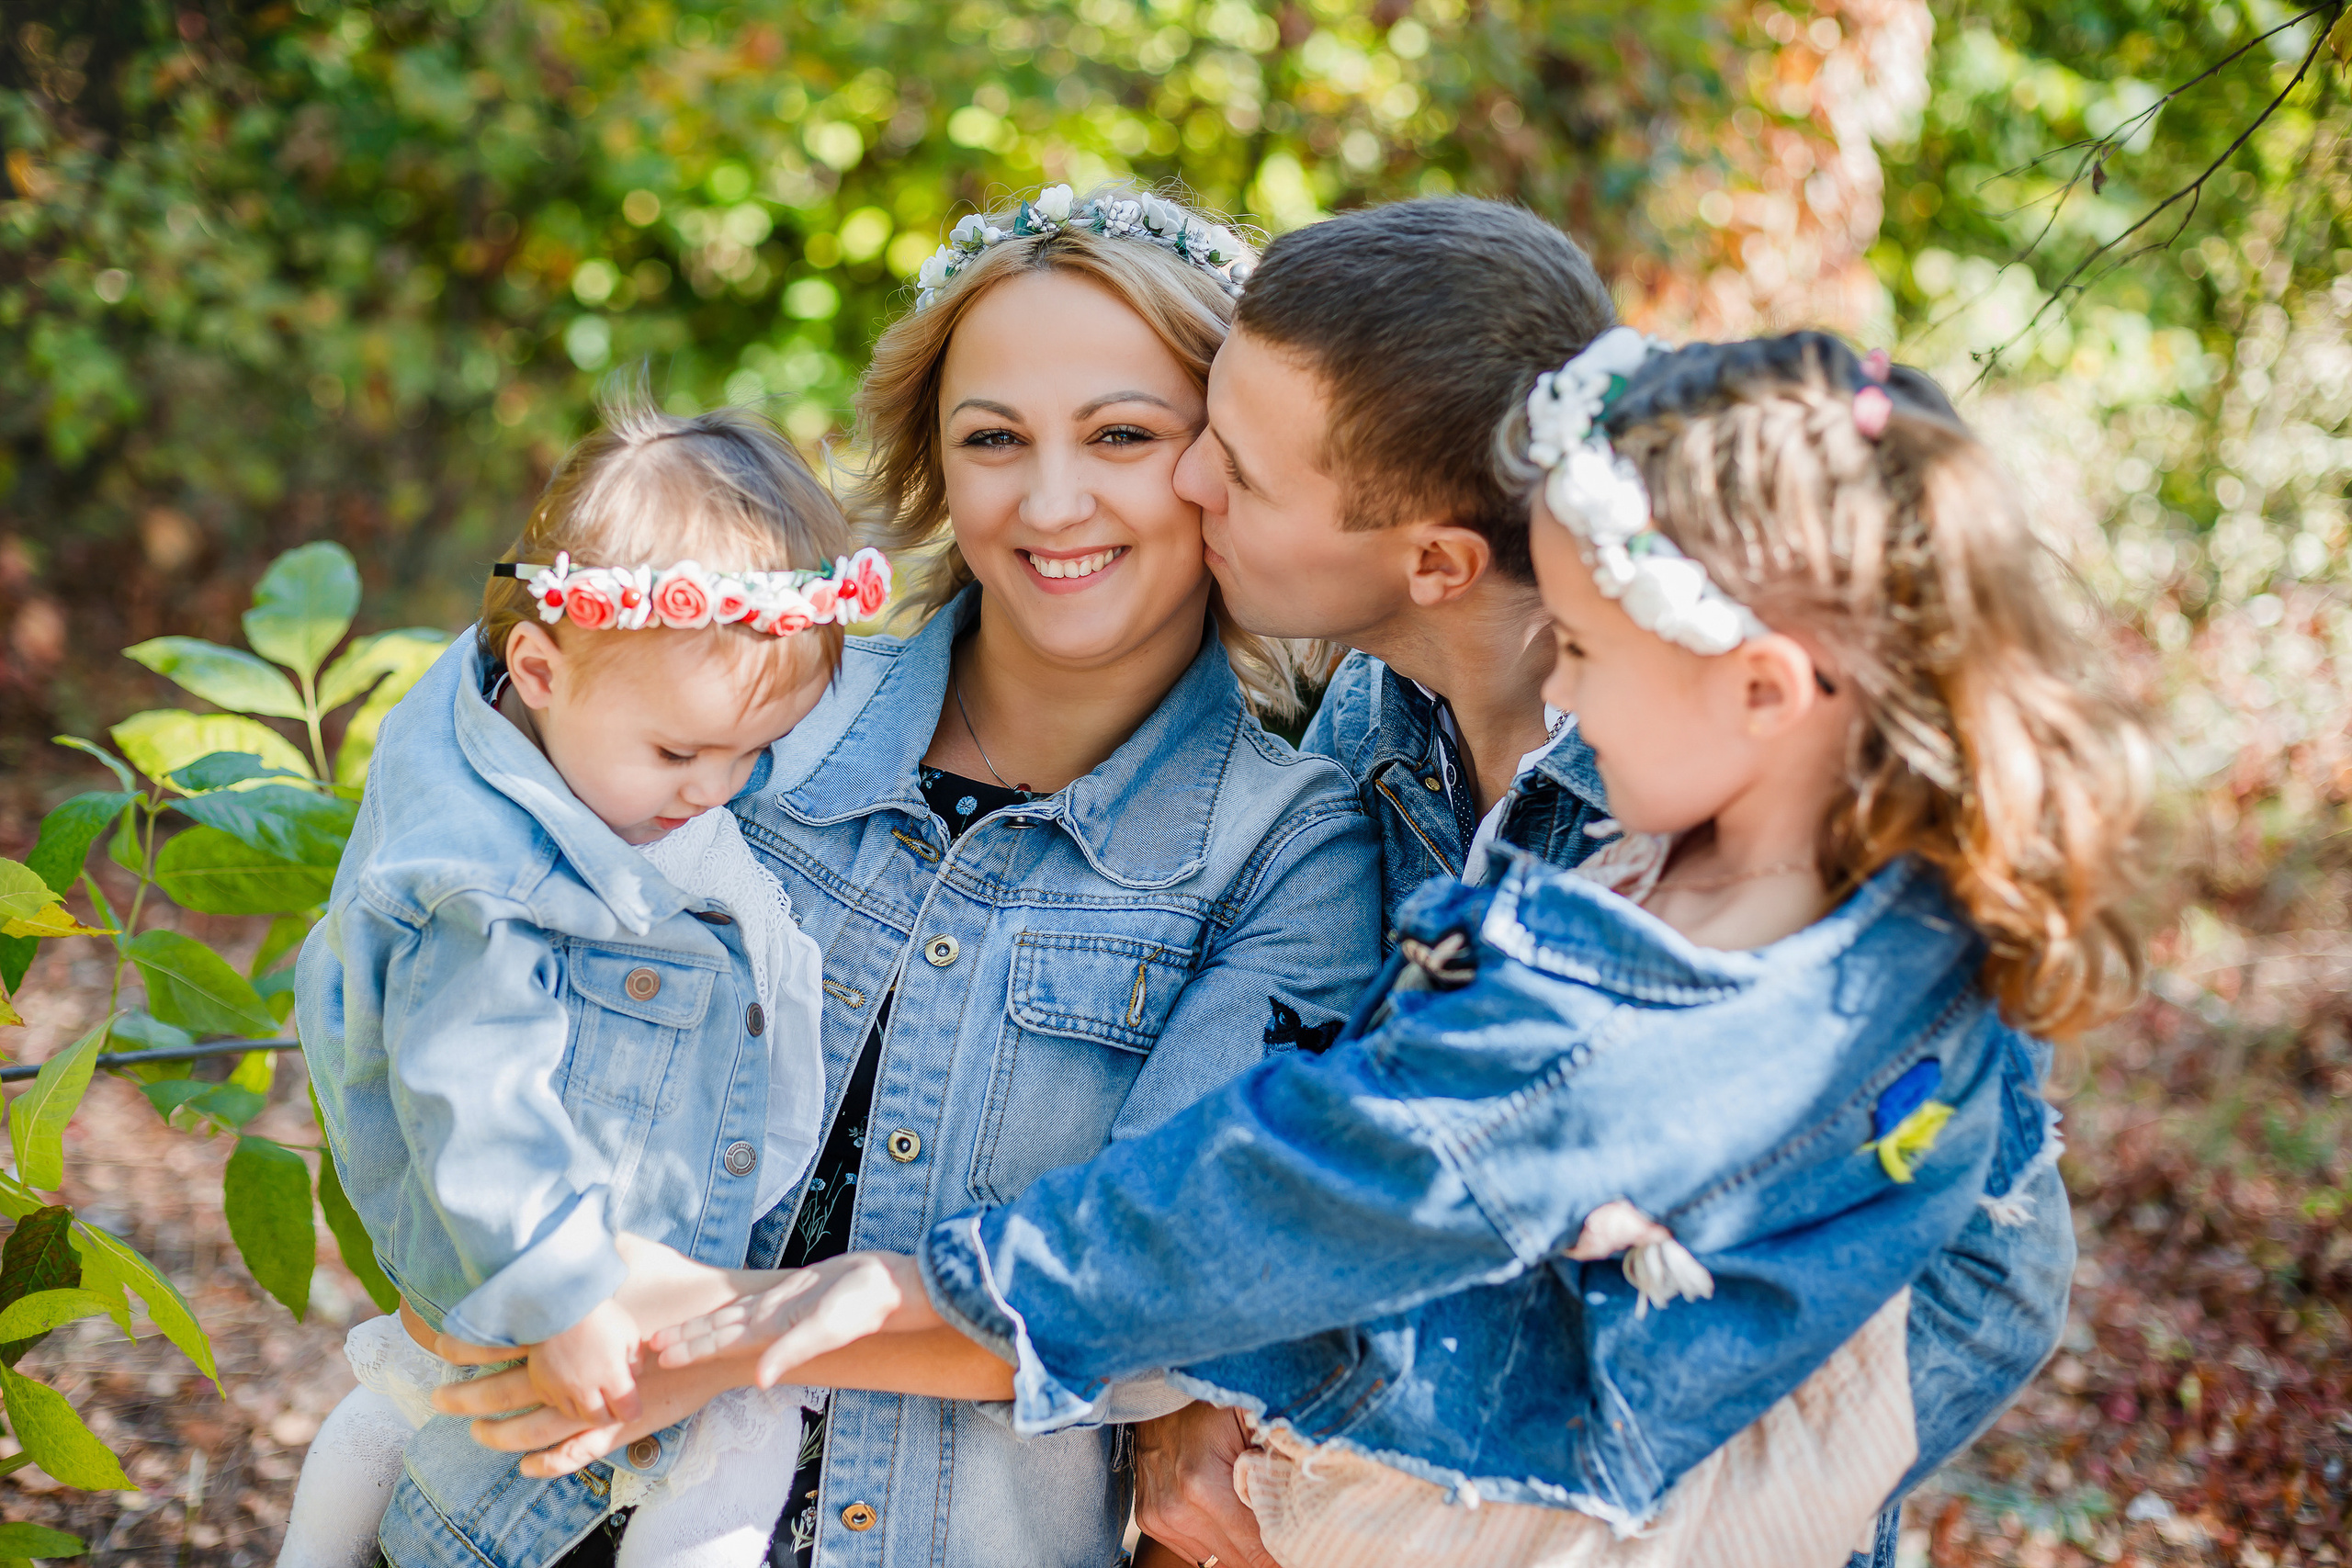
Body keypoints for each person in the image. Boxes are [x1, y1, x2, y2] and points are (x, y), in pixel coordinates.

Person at [446, 329, 2148, 1568]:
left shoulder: (1588, 1025)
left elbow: (1238, 1218)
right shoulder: (1889, 901)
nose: (1555, 692)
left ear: (1768, 692)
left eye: (1592, 652)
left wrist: (771, 1318)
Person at [452, 184, 1374, 1568]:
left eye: (1123, 433)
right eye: (993, 439)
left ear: (1224, 461)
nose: (1052, 500)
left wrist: (721, 1336)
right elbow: (467, 961)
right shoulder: (753, 715)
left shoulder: (1286, 851)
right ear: (938, 465)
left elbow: (1143, 1297)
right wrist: (465, 1253)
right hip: (513, 1507)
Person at [288, 399, 895, 1568]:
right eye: (679, 754)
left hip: (544, 1217)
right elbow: (479, 1099)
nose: (716, 788)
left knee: (402, 1402)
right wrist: (567, 1298)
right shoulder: (484, 882)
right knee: (740, 1439)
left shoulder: (527, 718)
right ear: (541, 669)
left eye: (749, 754)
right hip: (549, 1238)